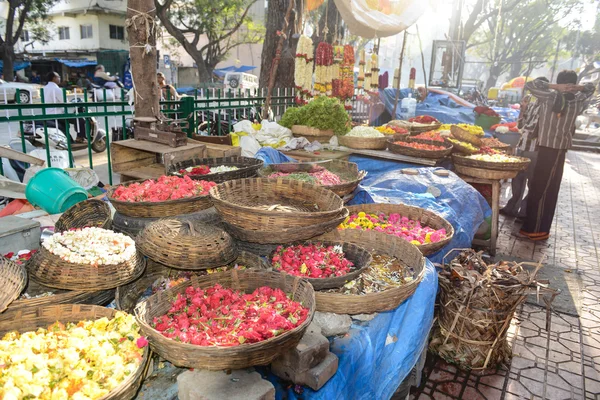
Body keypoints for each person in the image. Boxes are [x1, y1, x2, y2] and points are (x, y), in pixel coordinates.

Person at [519, 71, 595, 241]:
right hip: (547, 149)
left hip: (555, 150)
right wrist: (576, 87)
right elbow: (590, 88)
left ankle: (537, 230)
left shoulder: (552, 97)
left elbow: (532, 84)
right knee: (540, 188)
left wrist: (556, 87)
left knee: (545, 190)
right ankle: (530, 226)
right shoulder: (576, 99)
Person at [501, 77, 549, 219]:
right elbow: (521, 126)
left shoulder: (547, 104)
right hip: (522, 145)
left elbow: (534, 129)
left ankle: (524, 211)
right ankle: (512, 207)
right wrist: (522, 110)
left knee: (531, 181)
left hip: (535, 149)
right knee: (517, 178)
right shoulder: (533, 103)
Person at [43, 72, 84, 142]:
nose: (59, 78)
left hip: (48, 113)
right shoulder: (56, 89)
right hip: (58, 115)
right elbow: (65, 102)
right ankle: (80, 137)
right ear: (54, 78)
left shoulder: (45, 88)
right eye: (58, 77)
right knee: (80, 118)